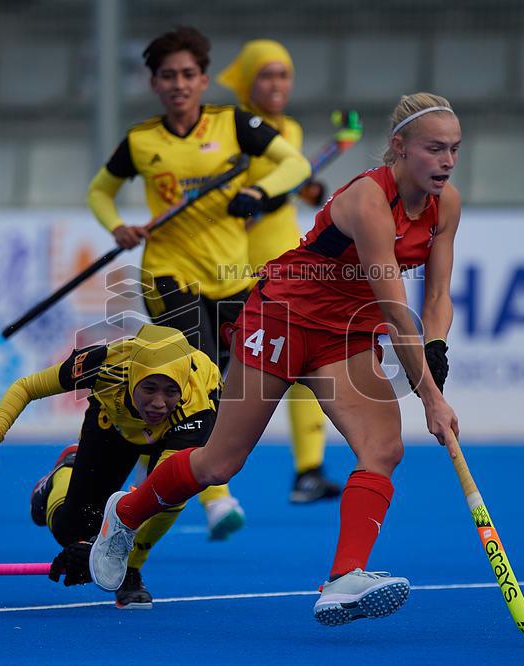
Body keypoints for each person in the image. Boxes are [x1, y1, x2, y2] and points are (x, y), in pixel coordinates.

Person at [85, 92, 463, 626]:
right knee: (219, 462)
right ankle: (123, 515)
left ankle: (342, 580)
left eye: (454, 150)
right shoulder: (368, 202)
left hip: (342, 335)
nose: (446, 162)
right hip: (281, 316)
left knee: (383, 448)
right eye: (434, 149)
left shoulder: (446, 204)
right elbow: (395, 308)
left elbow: (437, 297)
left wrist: (436, 349)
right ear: (399, 148)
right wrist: (431, 396)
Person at [86, 26, 311, 538]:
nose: (179, 84)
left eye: (189, 75)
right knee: (199, 374)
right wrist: (117, 226)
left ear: (204, 80)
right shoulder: (142, 141)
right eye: (168, 76)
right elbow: (99, 192)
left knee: (220, 388)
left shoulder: (234, 124)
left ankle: (145, 477)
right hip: (167, 274)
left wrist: (258, 189)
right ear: (154, 84)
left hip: (231, 277)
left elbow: (294, 164)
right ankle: (216, 497)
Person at [0, 324, 225, 609]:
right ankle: (62, 473)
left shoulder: (199, 407)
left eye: (170, 391)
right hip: (113, 424)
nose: (159, 403)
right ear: (133, 375)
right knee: (71, 530)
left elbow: (153, 494)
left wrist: (100, 550)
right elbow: (27, 387)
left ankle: (131, 571)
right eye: (149, 388)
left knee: (169, 498)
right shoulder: (106, 364)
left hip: (174, 434)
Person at [216, 39, 340, 504]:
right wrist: (265, 197)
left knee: (303, 361)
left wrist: (303, 190)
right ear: (247, 80)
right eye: (266, 75)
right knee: (215, 371)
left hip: (285, 262)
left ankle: (308, 470)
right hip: (232, 265)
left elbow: (280, 188)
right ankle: (183, 466)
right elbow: (239, 203)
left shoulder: (289, 128)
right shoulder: (230, 131)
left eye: (283, 75)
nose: (276, 84)